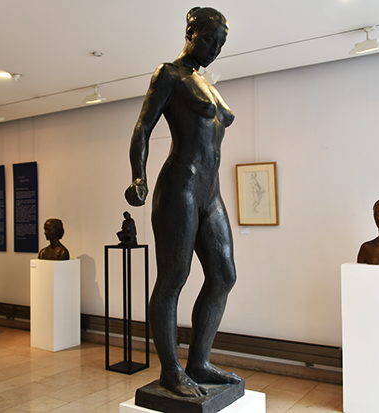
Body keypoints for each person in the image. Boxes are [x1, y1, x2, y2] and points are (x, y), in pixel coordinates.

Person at [125, 7, 240, 397]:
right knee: (173, 277)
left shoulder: (208, 85)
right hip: (180, 186)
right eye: (209, 39)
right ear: (190, 33)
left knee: (224, 276)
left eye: (220, 43)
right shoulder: (169, 74)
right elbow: (143, 127)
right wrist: (138, 176)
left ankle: (199, 363)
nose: (214, 49)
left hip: (211, 192)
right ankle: (171, 370)